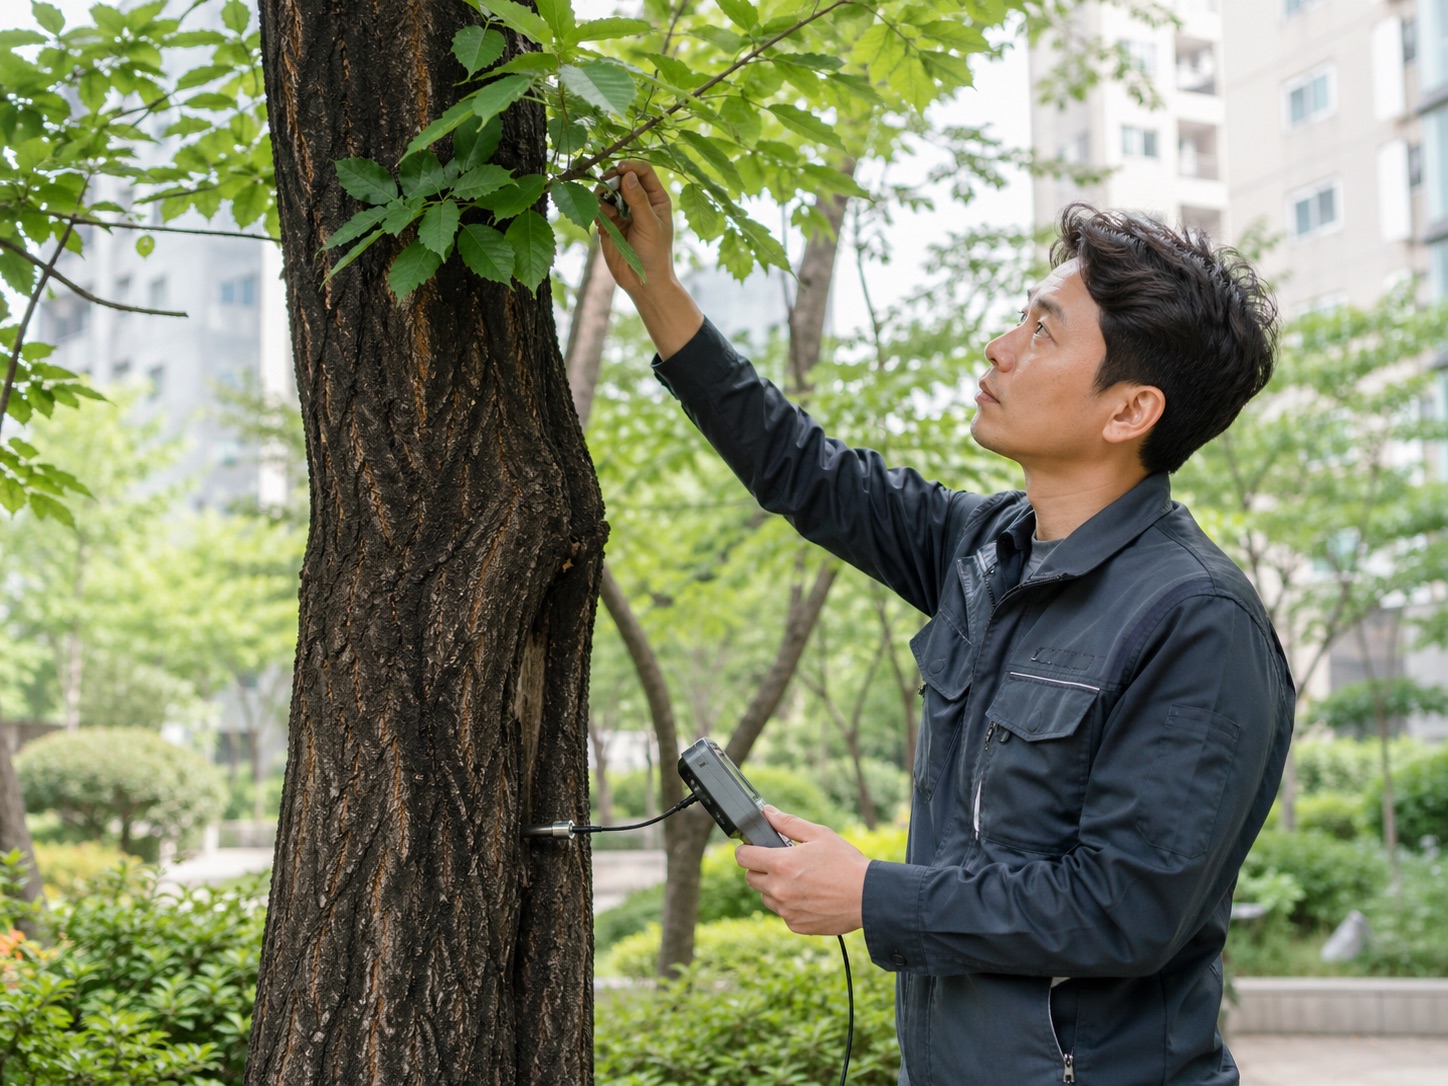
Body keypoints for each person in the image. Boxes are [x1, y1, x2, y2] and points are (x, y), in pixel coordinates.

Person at [597, 161, 1295, 1086]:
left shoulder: (1197, 622)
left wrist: (872, 895)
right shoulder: (985, 549)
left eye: (1043, 332)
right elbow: (803, 471)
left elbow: (1125, 907)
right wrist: (660, 296)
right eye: (1021, 317)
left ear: (1131, 410)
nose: (1001, 348)